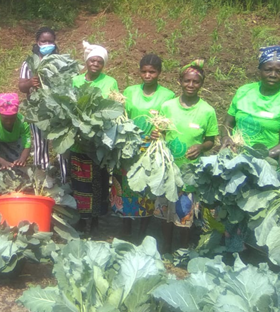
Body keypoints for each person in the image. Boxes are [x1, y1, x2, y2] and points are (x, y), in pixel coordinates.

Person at [156, 59, 219, 252]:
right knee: (165, 213)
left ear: (201, 84)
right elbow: (161, 131)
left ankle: (181, 250)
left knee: (184, 213)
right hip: (168, 168)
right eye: (187, 81)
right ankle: (165, 248)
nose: (191, 85)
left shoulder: (207, 111)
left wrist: (201, 147)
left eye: (196, 82)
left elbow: (211, 140)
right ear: (180, 81)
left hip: (190, 171)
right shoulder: (168, 106)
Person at [110, 53, 175, 239]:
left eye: (152, 72)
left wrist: (160, 131)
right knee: (127, 187)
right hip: (129, 145)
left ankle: (143, 231)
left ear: (159, 73)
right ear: (140, 72)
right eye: (144, 71)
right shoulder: (130, 91)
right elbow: (122, 115)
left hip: (151, 148)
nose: (148, 75)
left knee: (146, 189)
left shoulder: (168, 95)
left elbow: (168, 120)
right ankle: (126, 229)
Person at [70, 41, 118, 234]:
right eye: (92, 60)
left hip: (100, 143)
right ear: (86, 62)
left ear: (103, 64)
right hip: (78, 142)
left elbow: (114, 108)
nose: (95, 64)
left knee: (99, 181)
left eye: (100, 61)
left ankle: (96, 220)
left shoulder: (110, 82)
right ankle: (83, 219)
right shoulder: (76, 81)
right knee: (80, 183)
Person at [221, 46, 280, 157]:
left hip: (266, 159)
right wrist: (226, 138)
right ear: (260, 69)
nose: (273, 75)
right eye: (268, 70)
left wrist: (263, 155)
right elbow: (228, 122)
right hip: (234, 153)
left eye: (279, 71)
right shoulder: (244, 91)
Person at [19, 27, 68, 180]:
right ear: (37, 42)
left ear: (55, 43)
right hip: (36, 110)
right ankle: (41, 180)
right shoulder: (29, 63)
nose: (47, 44)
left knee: (61, 144)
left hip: (57, 109)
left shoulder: (61, 62)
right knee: (40, 145)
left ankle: (65, 179)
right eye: (43, 41)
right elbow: (21, 86)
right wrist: (31, 83)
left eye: (50, 41)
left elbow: (67, 84)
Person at [0, 93, 31, 170]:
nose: (9, 122)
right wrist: (1, 161)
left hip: (16, 143)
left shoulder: (23, 122)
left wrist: (22, 158)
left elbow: (27, 145)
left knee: (17, 168)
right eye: (5, 119)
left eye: (12, 118)